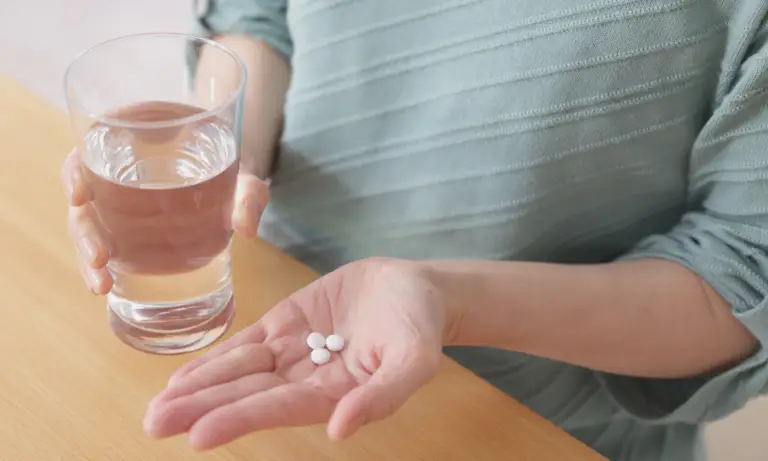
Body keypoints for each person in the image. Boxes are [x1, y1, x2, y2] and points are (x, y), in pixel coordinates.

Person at [61, 1, 768, 460]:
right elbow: (261, 13)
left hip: (524, 429)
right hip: (267, 343)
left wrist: (446, 300)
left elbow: (740, 272)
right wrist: (222, 156)